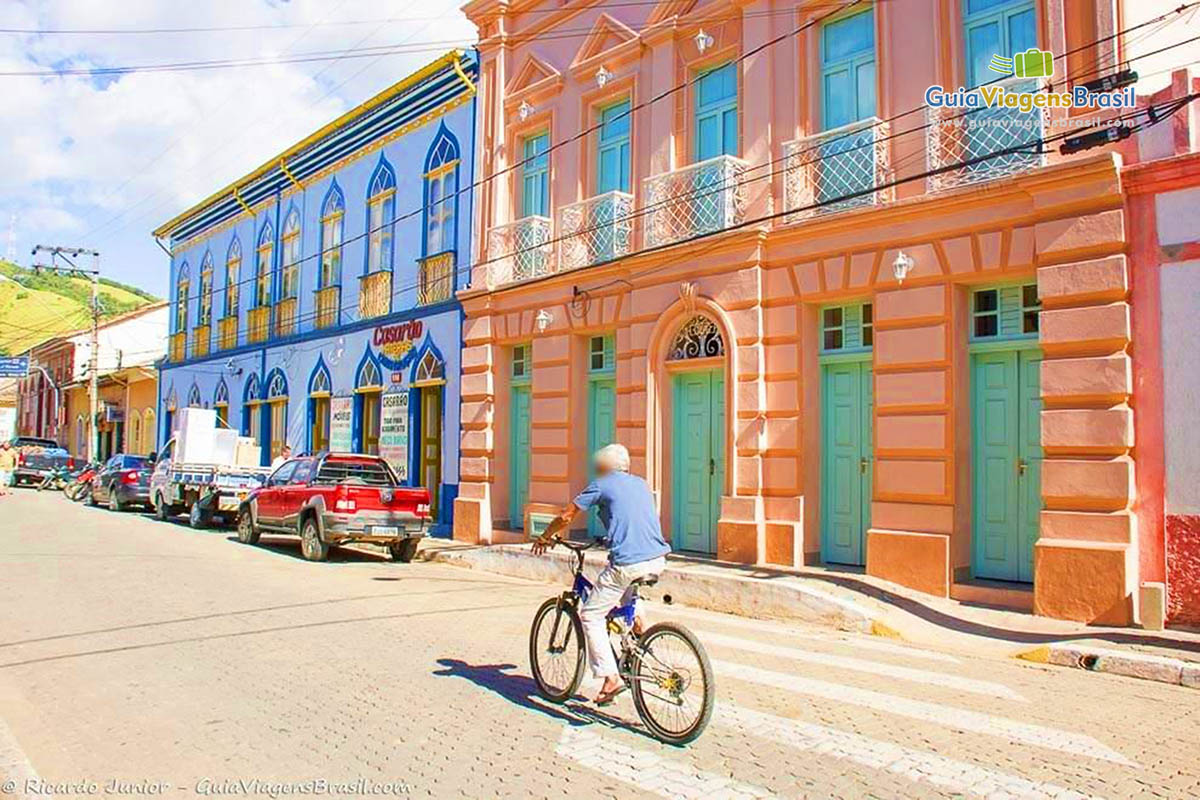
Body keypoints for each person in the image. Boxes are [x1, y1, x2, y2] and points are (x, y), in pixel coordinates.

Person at [532, 443, 670, 705]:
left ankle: (611, 678)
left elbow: (566, 516)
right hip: (657, 558)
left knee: (591, 615)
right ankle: (639, 626)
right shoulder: (641, 484)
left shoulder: (602, 484)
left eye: (598, 465)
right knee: (626, 592)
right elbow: (630, 517)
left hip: (628, 562)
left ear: (605, 467)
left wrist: (545, 536)